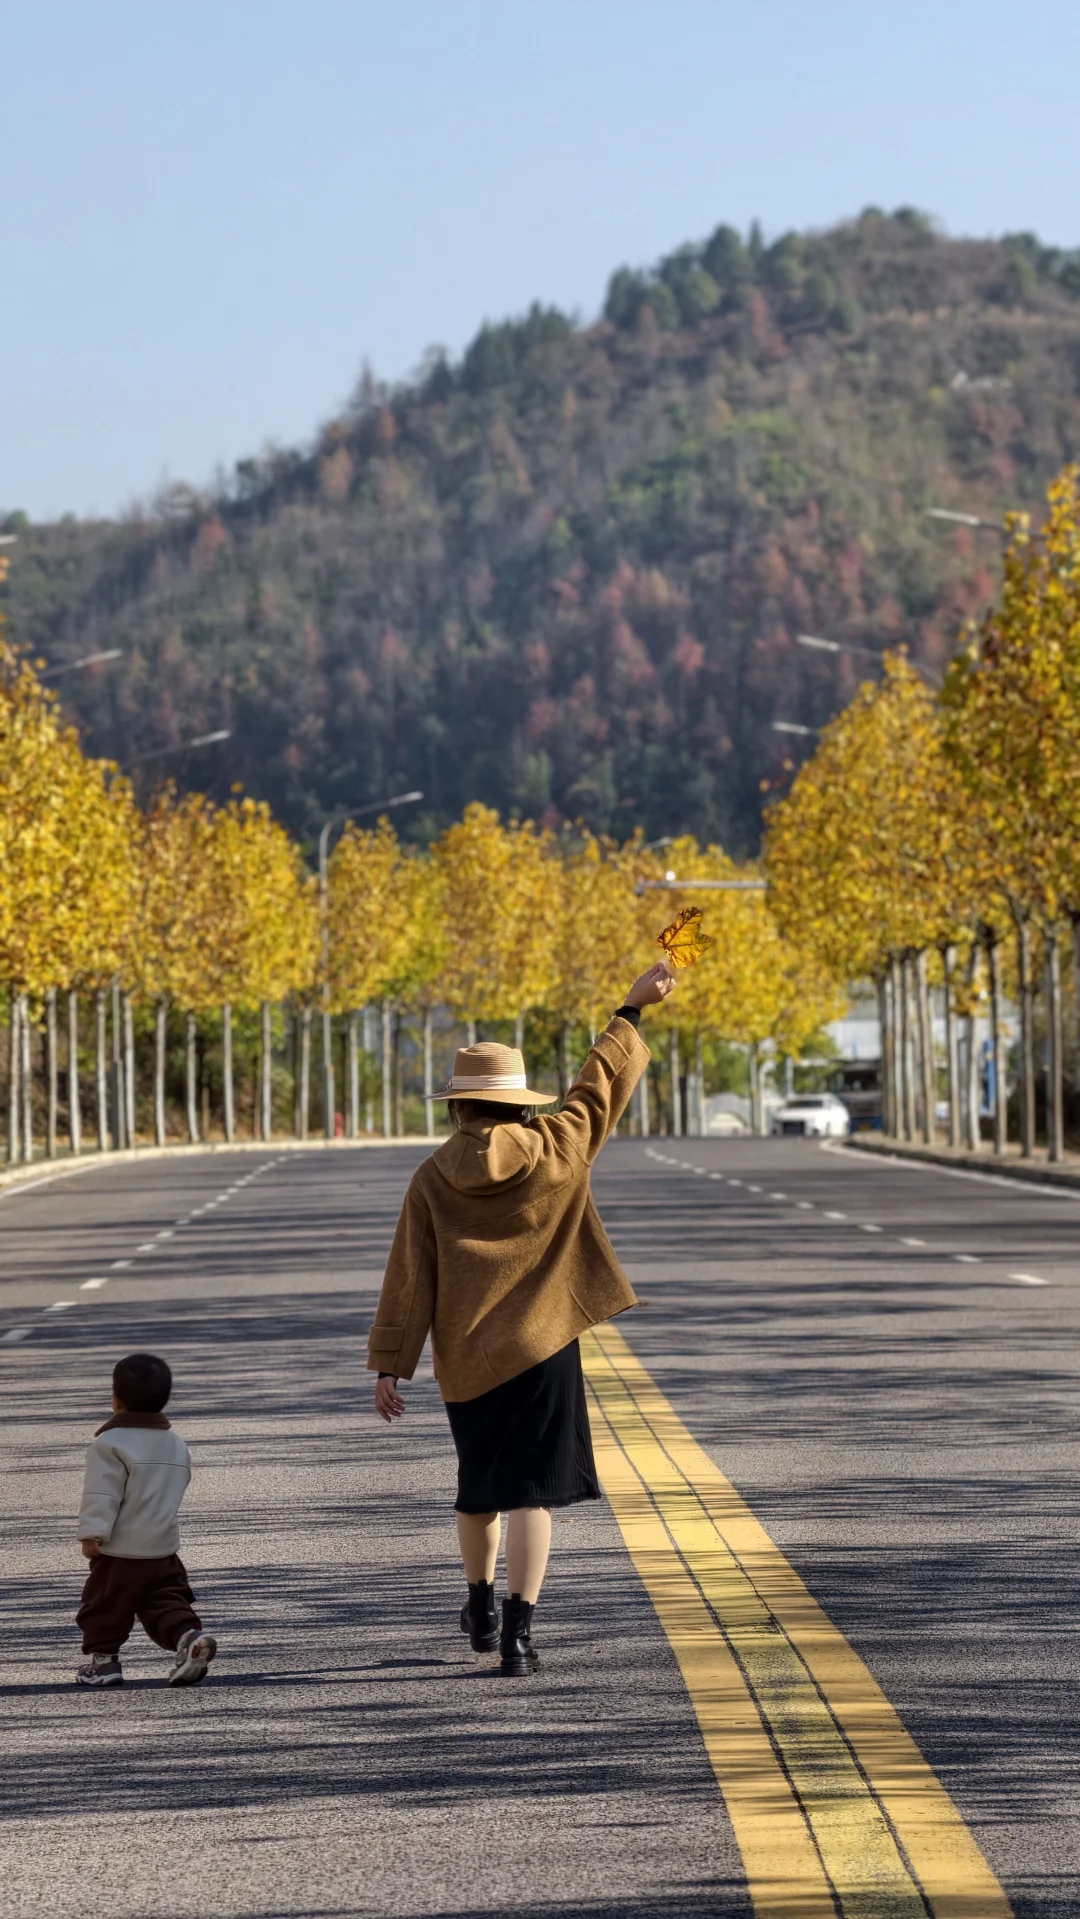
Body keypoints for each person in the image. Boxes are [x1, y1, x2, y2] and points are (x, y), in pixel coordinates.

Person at [368, 959, 676, 1675]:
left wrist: (391, 1363)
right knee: (533, 1495)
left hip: (468, 1361)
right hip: (543, 1350)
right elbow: (598, 1092)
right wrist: (631, 1009)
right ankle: (518, 1637)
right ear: (517, 1102)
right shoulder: (557, 1149)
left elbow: (410, 1279)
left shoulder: (432, 1177)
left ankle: (476, 1601)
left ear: (459, 1106)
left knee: (480, 1488)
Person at [75, 1352, 218, 1688]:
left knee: (104, 1606)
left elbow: (103, 1493)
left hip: (121, 1551)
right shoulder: (176, 1444)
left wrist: (92, 1533)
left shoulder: (109, 1444)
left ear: (116, 1400)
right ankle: (188, 1637)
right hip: (163, 1550)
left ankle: (103, 1664)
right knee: (165, 1601)